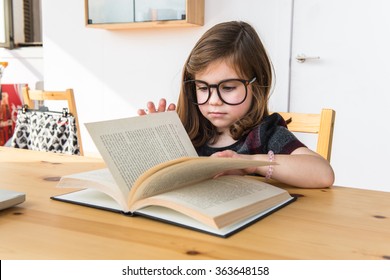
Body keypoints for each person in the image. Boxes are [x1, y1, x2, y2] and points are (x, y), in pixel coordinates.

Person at [138, 21, 334, 188]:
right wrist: (160, 141)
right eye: (203, 89)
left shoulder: (265, 134)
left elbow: (323, 174)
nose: (214, 100)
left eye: (228, 88)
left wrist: (249, 163)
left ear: (256, 84)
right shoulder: (186, 132)